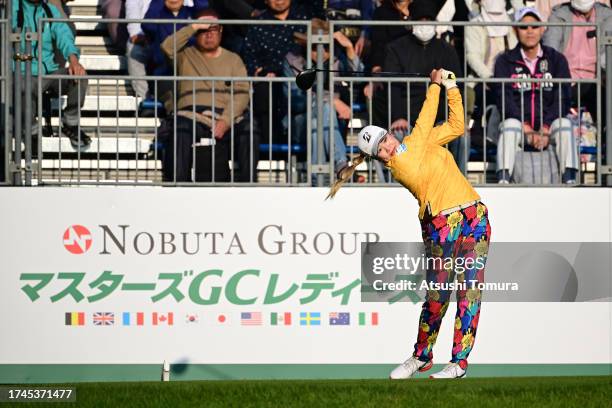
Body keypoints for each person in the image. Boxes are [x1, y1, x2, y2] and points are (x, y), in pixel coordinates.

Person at [328, 69, 491, 379]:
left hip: (474, 217)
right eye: (381, 149)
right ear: (379, 158)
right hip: (441, 224)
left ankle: (459, 362)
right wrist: (434, 84)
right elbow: (425, 119)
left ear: (391, 134)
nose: (388, 147)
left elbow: (456, 123)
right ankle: (421, 355)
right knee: (437, 296)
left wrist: (452, 86)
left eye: (386, 140)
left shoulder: (420, 143)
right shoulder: (401, 163)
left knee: (469, 292)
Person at [160, 10, 253, 182]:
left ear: (221, 31)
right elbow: (166, 47)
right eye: (203, 30)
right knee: (180, 129)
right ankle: (178, 186)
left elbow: (242, 93)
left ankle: (248, 185)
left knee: (250, 130)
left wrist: (225, 120)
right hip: (191, 115)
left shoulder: (234, 59)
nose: (208, 34)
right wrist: (194, 26)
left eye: (213, 29)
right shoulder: (184, 55)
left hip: (225, 117)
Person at [494, 7, 578, 184]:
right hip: (521, 126)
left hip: (548, 126)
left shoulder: (557, 59)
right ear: (516, 30)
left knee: (564, 124)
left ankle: (570, 179)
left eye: (534, 26)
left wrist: (546, 127)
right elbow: (504, 98)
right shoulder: (504, 60)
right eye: (524, 27)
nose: (530, 31)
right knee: (509, 125)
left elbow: (563, 97)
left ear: (542, 29)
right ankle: (503, 180)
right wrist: (526, 127)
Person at [384, 0, 465, 172]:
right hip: (408, 120)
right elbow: (393, 87)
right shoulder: (396, 48)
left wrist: (449, 119)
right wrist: (398, 116)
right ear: (412, 21)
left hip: (440, 119)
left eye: (429, 19)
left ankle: (460, 179)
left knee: (460, 136)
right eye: (421, 19)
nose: (425, 24)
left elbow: (456, 87)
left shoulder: (447, 51)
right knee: (397, 136)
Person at [12, 0, 90, 148]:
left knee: (80, 76)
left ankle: (70, 123)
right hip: (21, 71)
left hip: (49, 71)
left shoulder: (50, 10)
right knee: (22, 85)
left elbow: (64, 35)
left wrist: (74, 60)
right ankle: (31, 130)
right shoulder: (12, 7)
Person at [543, 0, 612, 124]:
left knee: (606, 103)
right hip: (566, 80)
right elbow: (550, 50)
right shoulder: (559, 14)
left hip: (597, 80)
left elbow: (607, 55)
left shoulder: (607, 16)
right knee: (552, 107)